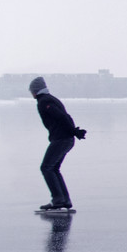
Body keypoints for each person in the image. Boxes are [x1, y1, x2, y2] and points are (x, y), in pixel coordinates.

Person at [29, 77, 86, 210]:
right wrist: (74, 132)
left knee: (46, 167)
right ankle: (64, 200)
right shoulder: (50, 99)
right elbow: (66, 116)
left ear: (35, 91)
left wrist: (74, 131)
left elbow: (62, 116)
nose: (31, 94)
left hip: (62, 139)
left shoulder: (45, 101)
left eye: (31, 91)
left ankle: (58, 200)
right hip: (65, 139)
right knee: (53, 168)